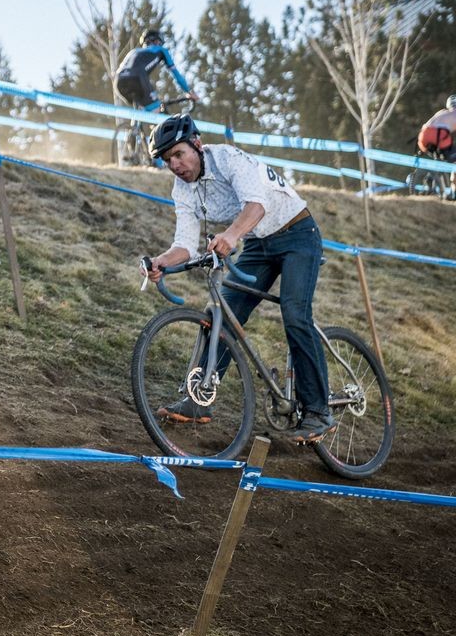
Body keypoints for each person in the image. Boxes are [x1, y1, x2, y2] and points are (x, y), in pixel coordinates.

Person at [143, 114, 334, 444]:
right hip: (259, 243)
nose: (174, 164)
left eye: (178, 154)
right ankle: (198, 399)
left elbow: (256, 207)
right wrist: (161, 260)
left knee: (294, 315)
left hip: (297, 234)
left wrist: (230, 237)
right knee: (221, 314)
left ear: (197, 145)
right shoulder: (182, 190)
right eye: (166, 159)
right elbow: (185, 246)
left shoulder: (228, 159)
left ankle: (318, 411)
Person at [115, 29, 198, 113]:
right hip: (137, 79)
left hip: (119, 82)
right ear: (157, 41)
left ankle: (135, 126)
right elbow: (176, 75)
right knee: (157, 111)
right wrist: (189, 92)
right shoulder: (161, 50)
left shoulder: (134, 51)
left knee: (142, 109)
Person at [416, 95, 456, 161]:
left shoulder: (442, 112)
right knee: (450, 155)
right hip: (438, 135)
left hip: (422, 136)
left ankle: (433, 169)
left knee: (442, 157)